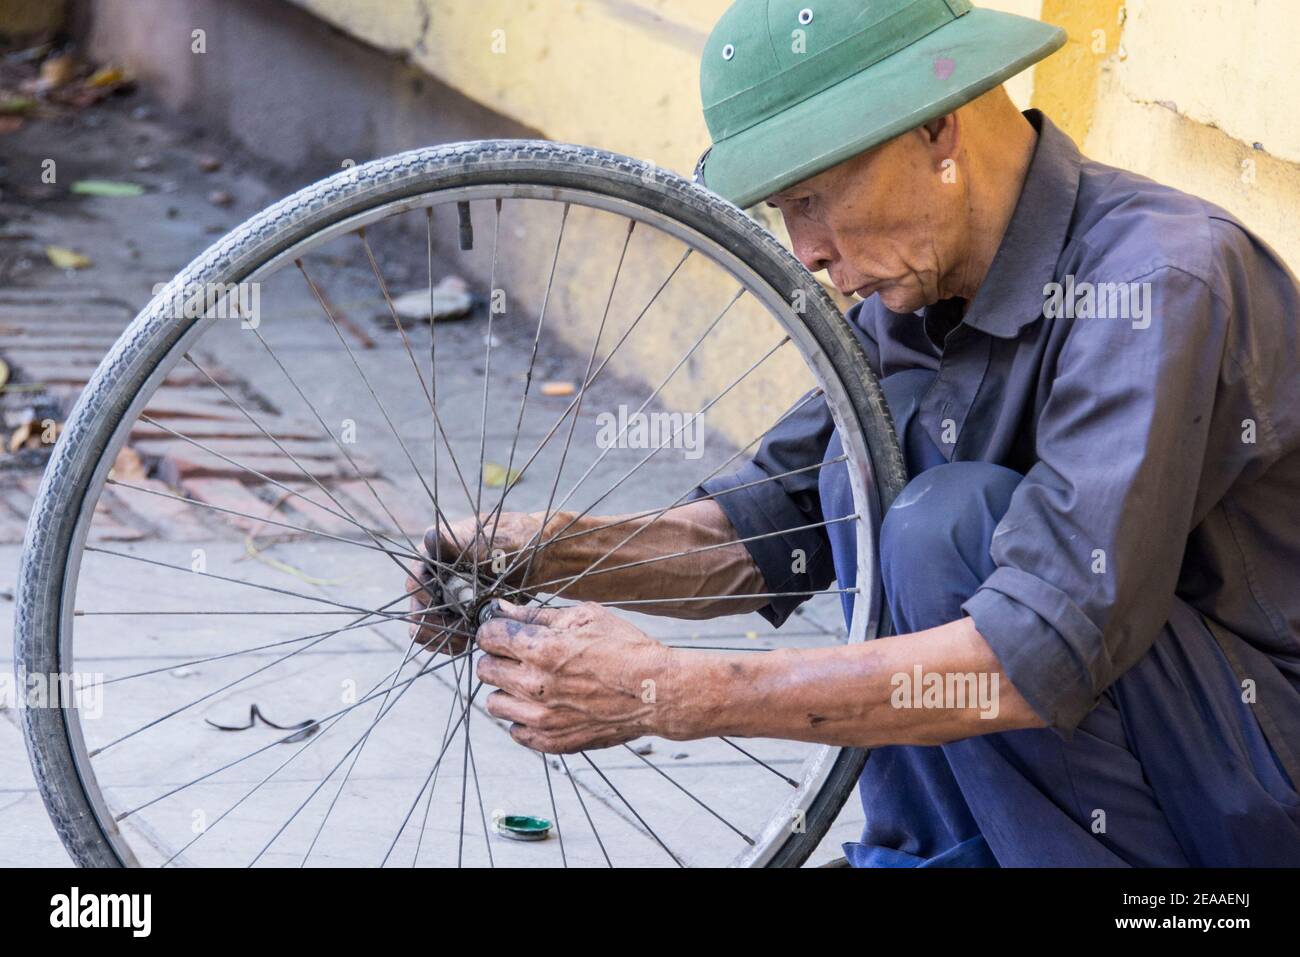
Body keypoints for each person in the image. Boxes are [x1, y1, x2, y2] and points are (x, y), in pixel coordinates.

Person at [412, 0, 1300, 866]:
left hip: (1250, 781)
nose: (807, 252)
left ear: (939, 131)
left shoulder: (1157, 280)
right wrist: (551, 553)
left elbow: (1040, 649)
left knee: (946, 528)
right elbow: (776, 526)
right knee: (861, 471)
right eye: (783, 211)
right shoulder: (919, 279)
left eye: (813, 197)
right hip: (1129, 744)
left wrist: (678, 691)